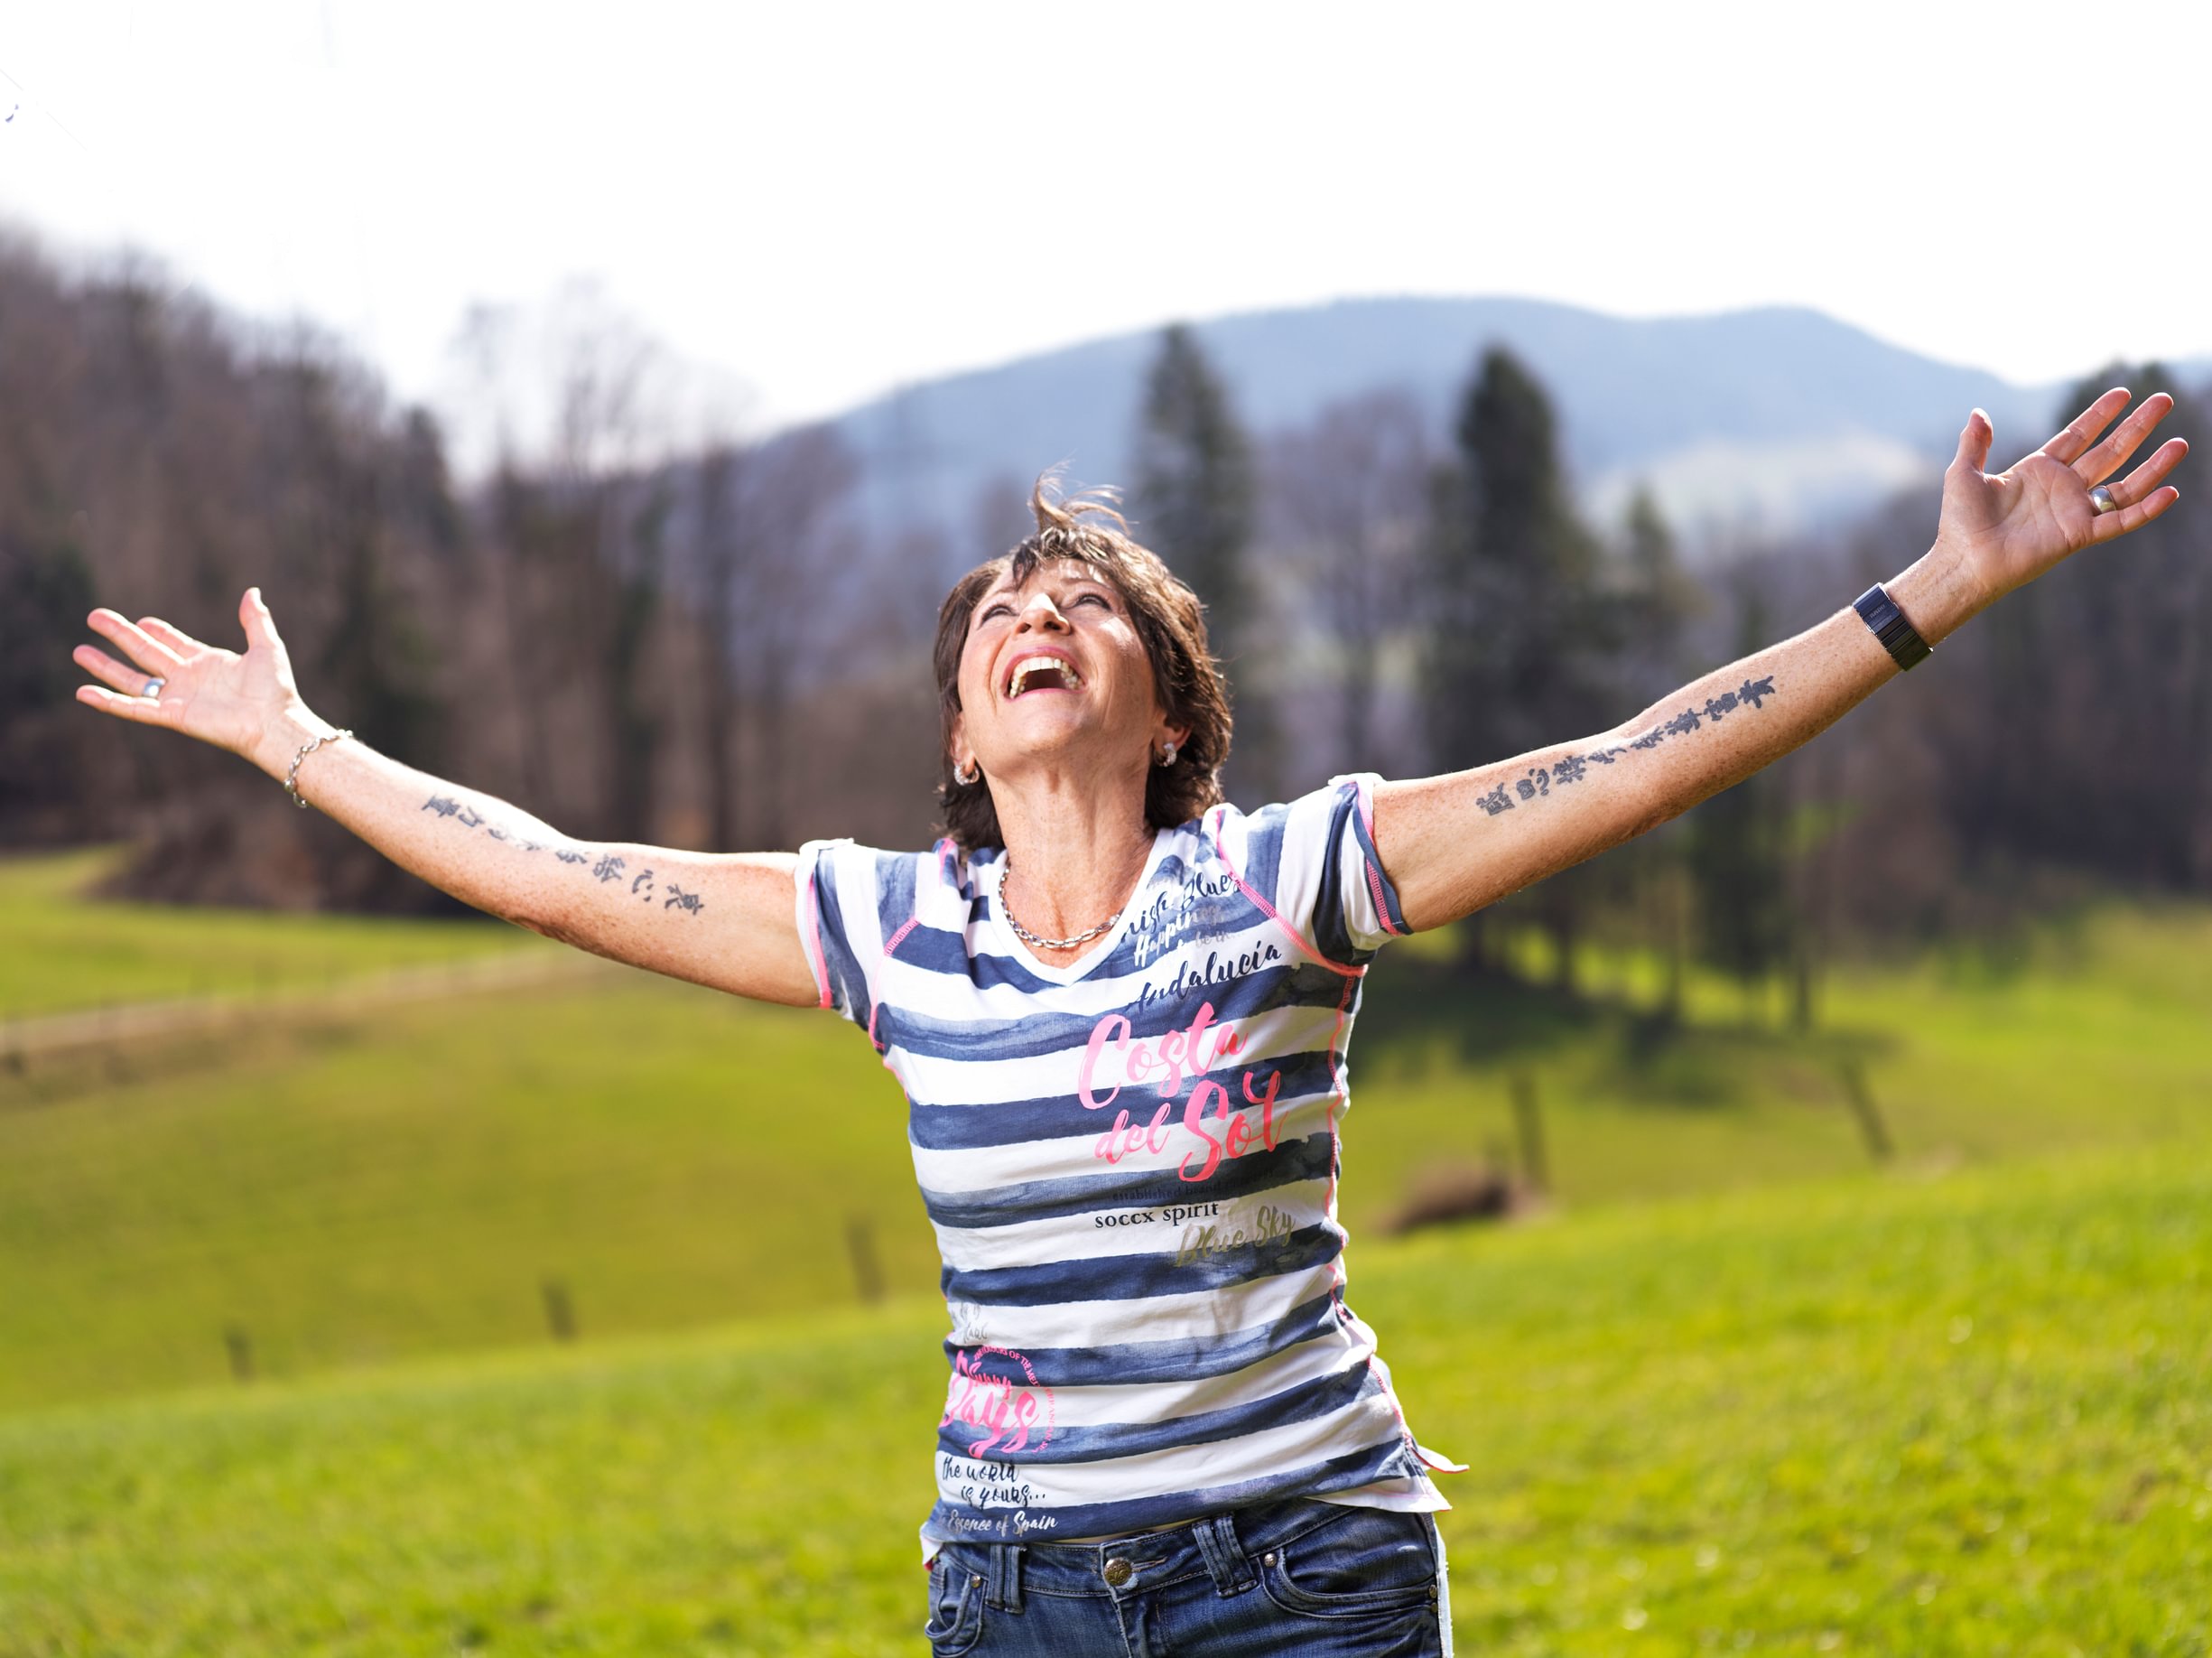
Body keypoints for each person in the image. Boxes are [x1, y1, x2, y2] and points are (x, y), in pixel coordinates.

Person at [73, 389, 2184, 1656]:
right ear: (960, 729)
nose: (1024, 612)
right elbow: (540, 868)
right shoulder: (894, 937)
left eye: (1076, 601)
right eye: (993, 611)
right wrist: (299, 745)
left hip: (1307, 1569)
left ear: (1165, 707)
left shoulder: (1282, 881)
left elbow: (1632, 759)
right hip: (1016, 1593)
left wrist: (1926, 597)